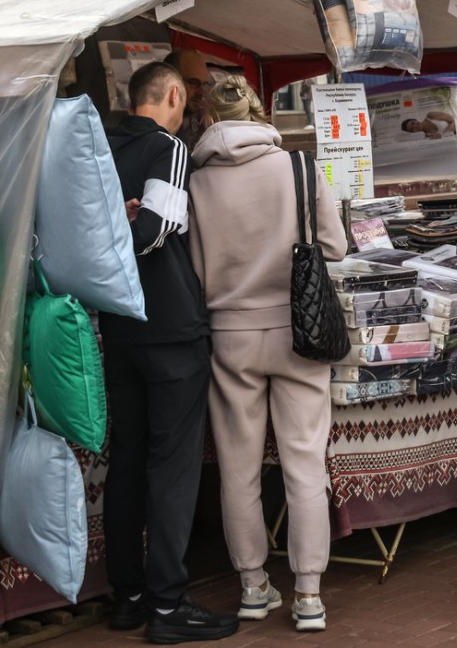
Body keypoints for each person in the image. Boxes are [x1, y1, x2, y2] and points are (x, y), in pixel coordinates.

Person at [187, 75, 346, 632]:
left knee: (238, 468)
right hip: (299, 331)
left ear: (208, 119)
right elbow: (335, 247)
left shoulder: (196, 183)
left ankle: (253, 586)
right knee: (305, 463)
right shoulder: (300, 168)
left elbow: (196, 271)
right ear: (260, 114)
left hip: (230, 334)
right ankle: (308, 595)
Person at [97, 60, 239, 644]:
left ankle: (126, 597)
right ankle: (168, 604)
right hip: (172, 329)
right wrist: (133, 225)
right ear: (175, 95)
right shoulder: (169, 148)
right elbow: (157, 231)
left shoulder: (100, 147)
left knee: (126, 461)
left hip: (119, 326)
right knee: (172, 468)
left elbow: (87, 231)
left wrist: (114, 227)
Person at [165, 49, 213, 150]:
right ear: (169, 80)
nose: (201, 93)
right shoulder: (152, 133)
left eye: (204, 84)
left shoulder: (200, 125)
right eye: (193, 82)